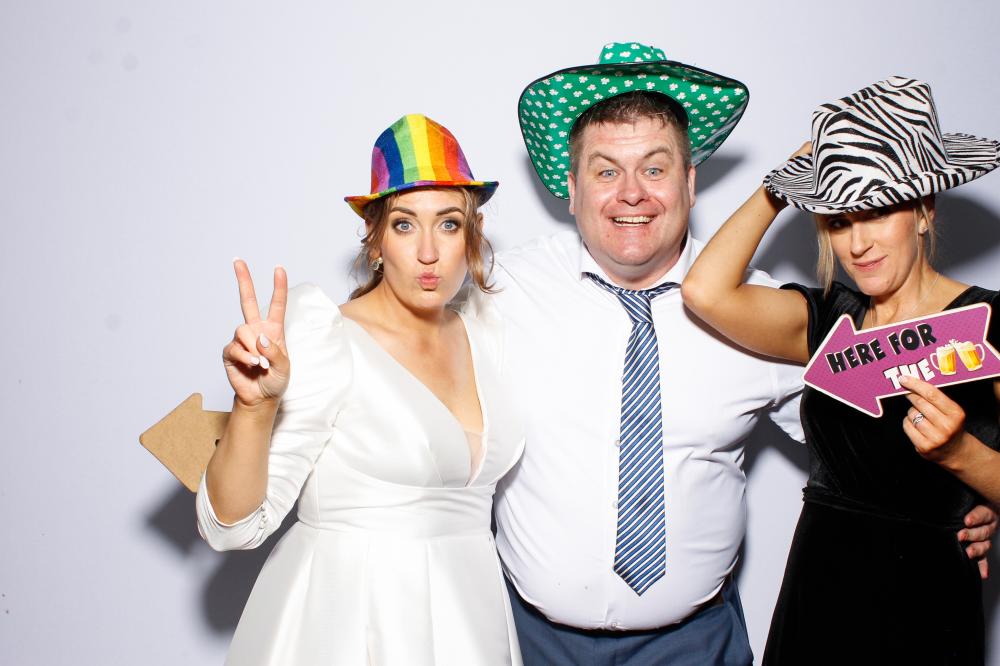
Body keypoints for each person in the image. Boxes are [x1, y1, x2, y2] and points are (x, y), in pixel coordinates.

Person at [463, 44, 998, 665]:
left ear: (690, 183)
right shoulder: (497, 292)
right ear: (572, 189)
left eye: (655, 169)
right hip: (531, 642)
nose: (631, 194)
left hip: (698, 645)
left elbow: (872, 447)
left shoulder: (763, 317)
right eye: (606, 172)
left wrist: (971, 495)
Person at [682, 76, 1000, 665]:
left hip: (926, 609)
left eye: (875, 213)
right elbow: (704, 291)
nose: (857, 245)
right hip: (818, 593)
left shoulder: (991, 323)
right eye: (837, 221)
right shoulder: (829, 318)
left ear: (924, 211)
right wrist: (780, 187)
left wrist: (962, 456)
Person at [195, 114, 524, 665]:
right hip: (351, 623)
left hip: (471, 621)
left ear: (472, 234)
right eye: (403, 225)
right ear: (374, 240)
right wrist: (254, 408)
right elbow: (232, 529)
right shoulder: (328, 337)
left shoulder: (487, 334)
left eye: (448, 224)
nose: (427, 251)